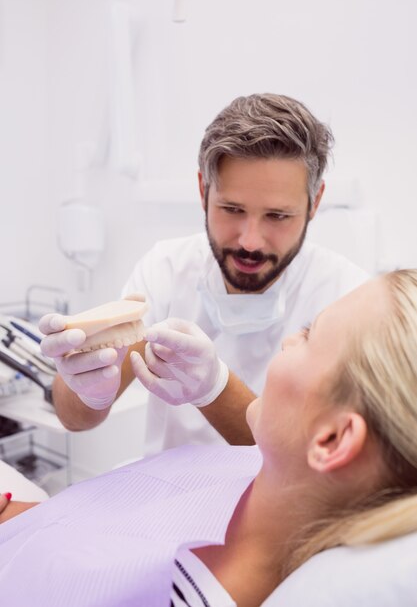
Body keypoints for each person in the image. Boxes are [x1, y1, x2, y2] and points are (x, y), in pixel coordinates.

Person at [1, 269, 417, 607]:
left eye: (309, 335)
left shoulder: (176, 591)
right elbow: (71, 536)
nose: (291, 338)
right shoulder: (262, 474)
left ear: (331, 441)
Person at [39, 93, 369, 454]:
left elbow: (313, 464)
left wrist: (215, 389)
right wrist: (86, 391)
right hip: (171, 496)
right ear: (202, 190)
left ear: (315, 202)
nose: (250, 241)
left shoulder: (349, 300)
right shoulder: (166, 269)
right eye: (232, 209)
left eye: (277, 216)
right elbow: (74, 418)